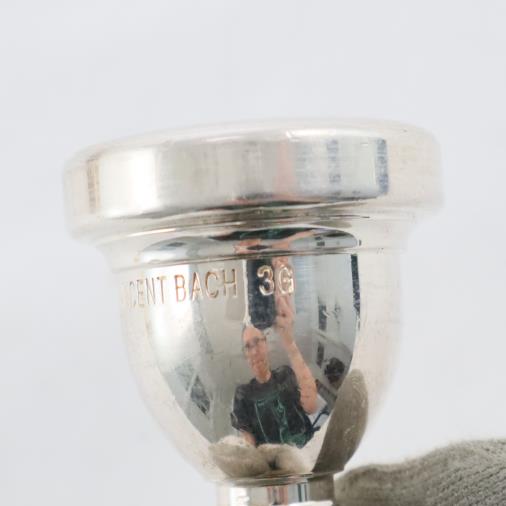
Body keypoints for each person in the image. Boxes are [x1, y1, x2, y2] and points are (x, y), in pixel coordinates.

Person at [231, 293, 318, 448]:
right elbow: (248, 442)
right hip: (271, 462)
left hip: (308, 451)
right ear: (245, 354)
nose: (254, 352)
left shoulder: (285, 374)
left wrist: (289, 342)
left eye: (257, 342)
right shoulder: (243, 394)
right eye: (248, 347)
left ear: (266, 344)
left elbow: (311, 406)